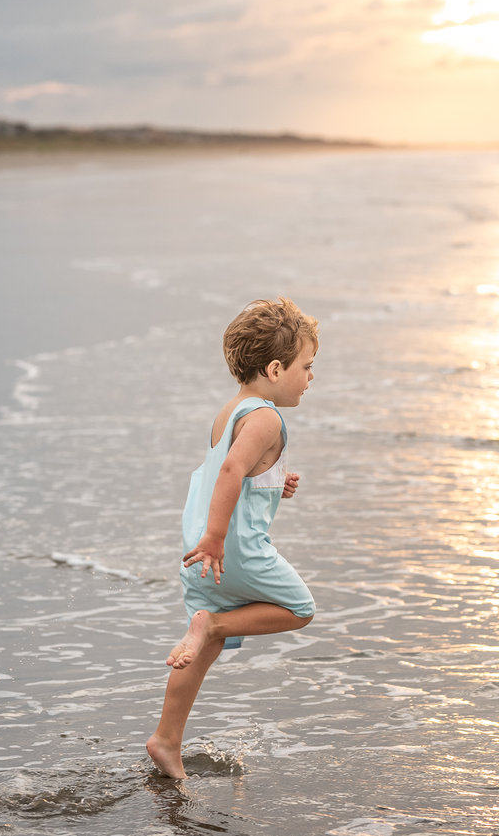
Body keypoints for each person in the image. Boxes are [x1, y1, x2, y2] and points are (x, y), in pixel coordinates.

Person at [146, 297, 318, 780]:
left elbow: (239, 471)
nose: (311, 377)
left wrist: (273, 478)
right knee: (299, 609)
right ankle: (215, 624)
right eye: (307, 366)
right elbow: (230, 469)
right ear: (276, 367)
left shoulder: (233, 411)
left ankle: (166, 739)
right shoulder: (266, 418)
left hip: (199, 547)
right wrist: (218, 538)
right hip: (229, 549)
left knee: (202, 645)